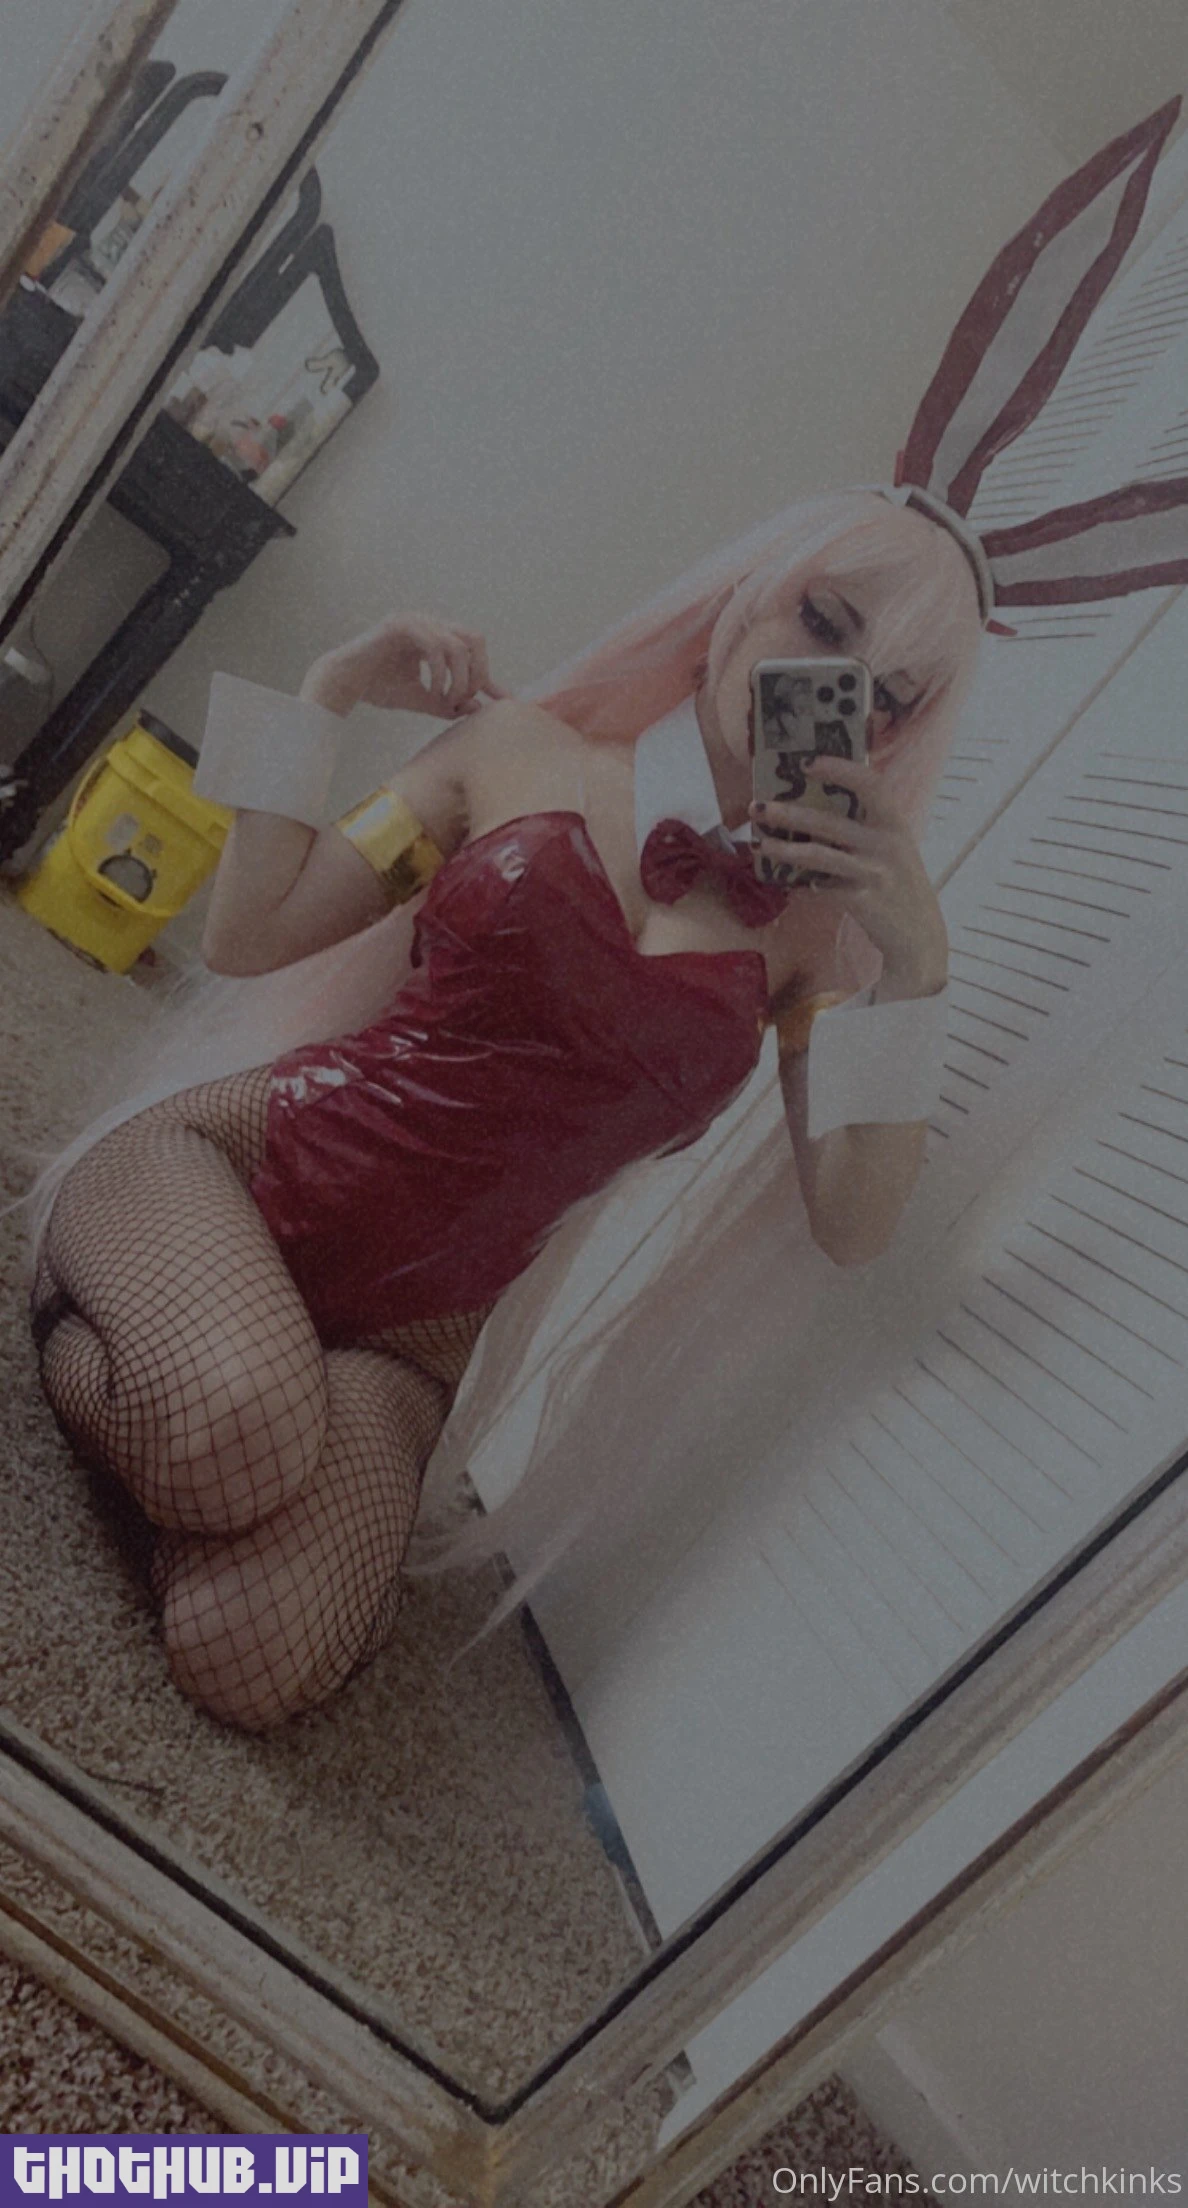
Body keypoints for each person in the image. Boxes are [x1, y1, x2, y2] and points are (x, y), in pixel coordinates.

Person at [24, 99, 1188, 1731]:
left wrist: (917, 965)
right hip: (243, 1169)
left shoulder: (813, 943)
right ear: (746, 597)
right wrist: (327, 687)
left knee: (251, 1663)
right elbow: (247, 936)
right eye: (824, 620)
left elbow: (855, 1226)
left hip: (410, 1338)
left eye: (889, 692)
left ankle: (190, 1394)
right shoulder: (518, 751)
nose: (836, 686)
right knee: (232, 1434)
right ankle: (109, 1325)